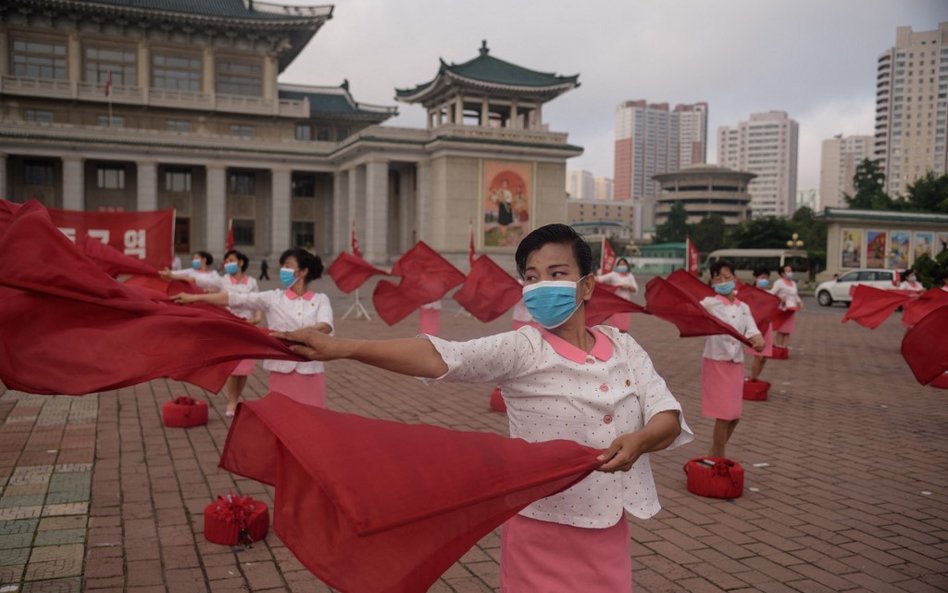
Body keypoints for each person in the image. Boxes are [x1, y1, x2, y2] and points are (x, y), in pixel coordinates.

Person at [276, 223, 692, 592]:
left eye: (557, 274)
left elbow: (667, 415)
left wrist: (640, 439)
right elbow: (443, 357)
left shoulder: (624, 346)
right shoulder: (523, 346)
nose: (542, 285)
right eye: (532, 277)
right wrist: (343, 348)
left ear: (586, 286)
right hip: (541, 527)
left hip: (608, 529)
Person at [176, 248, 333, 407]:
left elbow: (325, 326)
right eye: (282, 266)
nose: (283, 270)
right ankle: (232, 400)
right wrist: (196, 297)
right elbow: (235, 298)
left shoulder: (320, 299)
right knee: (281, 417)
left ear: (303, 271)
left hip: (311, 369)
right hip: (281, 369)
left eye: (288, 265)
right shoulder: (273, 297)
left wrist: (290, 335)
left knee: (313, 419)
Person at [163, 249, 262, 416]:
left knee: (244, 369)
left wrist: (256, 318)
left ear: (241, 262)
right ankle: (231, 401)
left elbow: (258, 302)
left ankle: (236, 397)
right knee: (232, 367)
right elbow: (196, 279)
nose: (228, 263)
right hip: (229, 326)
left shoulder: (251, 282)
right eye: (226, 261)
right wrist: (172, 276)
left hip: (248, 328)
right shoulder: (222, 280)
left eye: (231, 260)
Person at [700, 260, 765, 459]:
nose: (723, 280)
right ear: (712, 281)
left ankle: (712, 456)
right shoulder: (710, 303)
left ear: (735, 279)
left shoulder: (743, 307)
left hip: (736, 363)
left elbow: (751, 329)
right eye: (718, 277)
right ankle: (718, 460)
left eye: (727, 276)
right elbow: (692, 311)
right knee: (724, 416)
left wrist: (758, 339)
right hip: (716, 361)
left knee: (734, 416)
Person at [746, 266, 774, 382]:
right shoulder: (750, 293)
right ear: (756, 278)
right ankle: (752, 379)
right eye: (762, 277)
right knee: (758, 355)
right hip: (755, 326)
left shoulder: (768, 294)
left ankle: (755, 377)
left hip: (767, 326)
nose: (765, 280)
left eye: (766, 278)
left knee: (765, 356)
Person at [596, 257, 639, 332]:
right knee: (615, 324)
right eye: (620, 264)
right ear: (617, 265)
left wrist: (628, 287)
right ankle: (615, 337)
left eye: (624, 264)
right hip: (615, 303)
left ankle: (623, 337)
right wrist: (591, 277)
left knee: (624, 324)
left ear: (627, 266)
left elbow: (635, 289)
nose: (622, 266)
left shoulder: (630, 276)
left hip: (625, 303)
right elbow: (600, 279)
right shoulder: (613, 275)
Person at [770, 264, 803, 349]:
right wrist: (780, 298)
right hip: (782, 309)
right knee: (781, 330)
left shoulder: (793, 283)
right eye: (788, 271)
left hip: (791, 309)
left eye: (791, 271)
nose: (790, 273)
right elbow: (772, 294)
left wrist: (799, 301)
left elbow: (795, 295)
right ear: (782, 274)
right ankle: (779, 347)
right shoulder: (778, 282)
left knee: (788, 330)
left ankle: (785, 348)